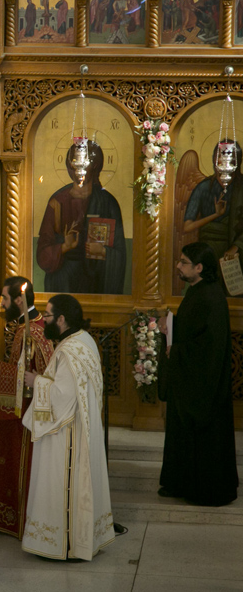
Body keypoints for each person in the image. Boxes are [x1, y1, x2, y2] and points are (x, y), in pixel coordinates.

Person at [22, 294, 115, 560]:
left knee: (66, 483)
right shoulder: (84, 340)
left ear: (61, 319)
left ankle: (66, 543)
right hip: (82, 426)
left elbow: (64, 395)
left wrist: (36, 380)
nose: (45, 321)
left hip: (67, 433)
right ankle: (83, 539)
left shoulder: (68, 350)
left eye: (48, 316)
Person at [157, 242, 238, 506]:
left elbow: (209, 346)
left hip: (203, 385)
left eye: (183, 262)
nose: (178, 266)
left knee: (202, 436)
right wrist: (171, 328)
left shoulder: (210, 296)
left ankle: (203, 488)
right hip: (189, 379)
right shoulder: (198, 291)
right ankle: (180, 482)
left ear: (199, 267)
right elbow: (193, 329)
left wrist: (177, 351)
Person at [0, 277, 54, 539]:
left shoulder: (30, 332)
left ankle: (18, 519)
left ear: (18, 300)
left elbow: (42, 373)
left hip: (25, 412)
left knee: (19, 460)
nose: (1, 304)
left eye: (4, 298)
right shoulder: (33, 326)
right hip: (19, 407)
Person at [36, 140, 126, 294]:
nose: (79, 169)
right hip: (63, 283)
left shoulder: (108, 203)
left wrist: (103, 251)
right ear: (68, 165)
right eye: (75, 162)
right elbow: (43, 254)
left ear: (95, 165)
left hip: (96, 283)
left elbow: (120, 254)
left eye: (85, 163)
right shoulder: (57, 202)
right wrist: (64, 247)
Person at [182, 141, 243, 264]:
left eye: (230, 156)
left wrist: (236, 247)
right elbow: (187, 226)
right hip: (207, 250)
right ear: (214, 159)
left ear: (237, 160)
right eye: (221, 156)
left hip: (237, 251)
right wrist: (215, 215)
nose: (225, 161)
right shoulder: (203, 187)